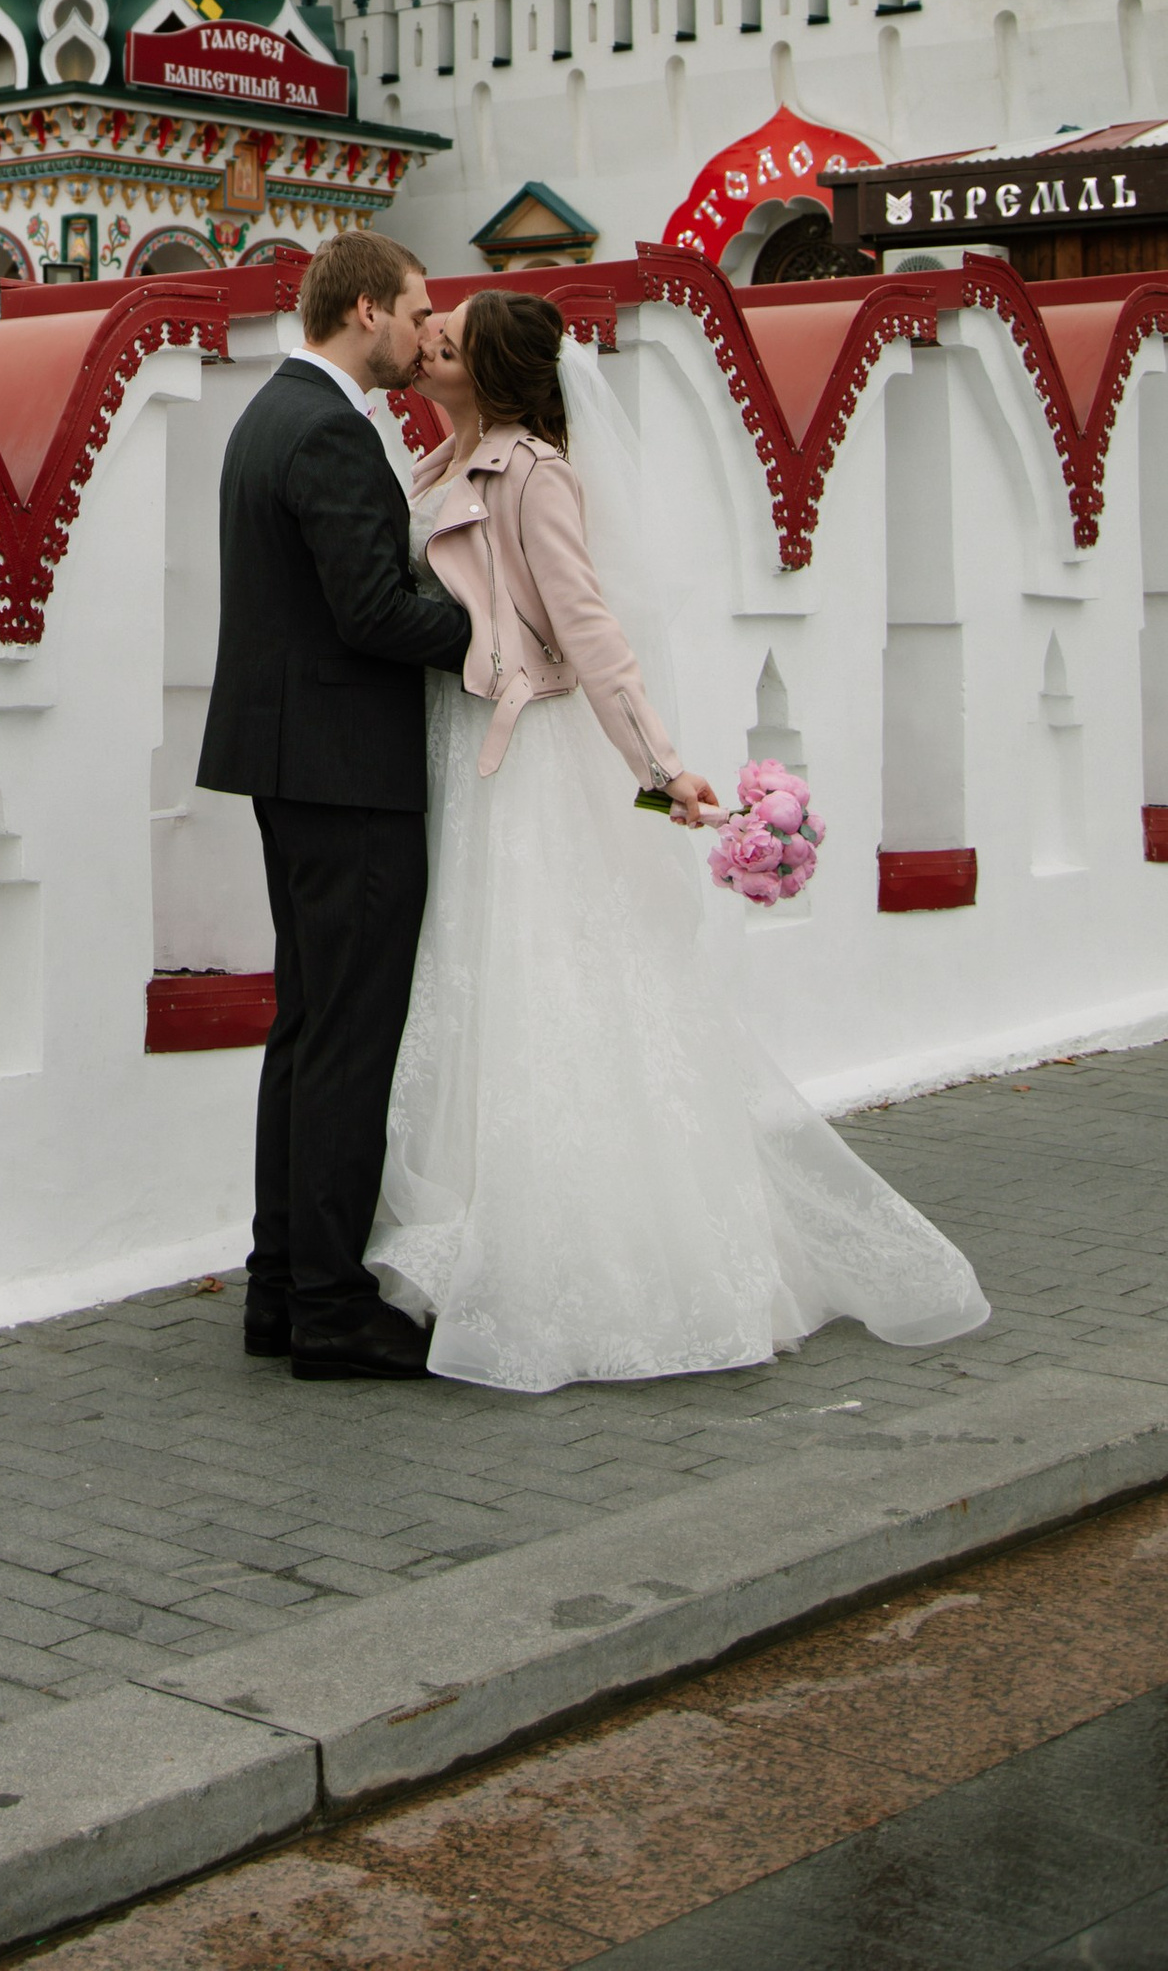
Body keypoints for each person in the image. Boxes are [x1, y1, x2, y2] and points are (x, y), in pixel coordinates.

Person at [374, 285, 989, 1392]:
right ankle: (479, 1233)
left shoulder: (532, 473)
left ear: (497, 375)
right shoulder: (433, 463)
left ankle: (589, 1263)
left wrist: (660, 774)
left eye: (451, 342)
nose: (429, 344)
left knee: (548, 982)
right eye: (433, 329)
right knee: (483, 984)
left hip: (535, 762)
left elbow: (590, 632)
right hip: (462, 756)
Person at [196, 230, 475, 1381]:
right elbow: (369, 615)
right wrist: (491, 632)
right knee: (349, 1038)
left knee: (307, 1031)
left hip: (290, 763)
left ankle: (279, 1285)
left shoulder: (270, 412)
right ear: (365, 310)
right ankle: (328, 1303)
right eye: (415, 312)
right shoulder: (327, 429)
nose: (424, 333)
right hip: (344, 771)